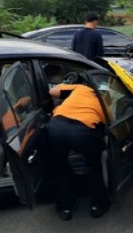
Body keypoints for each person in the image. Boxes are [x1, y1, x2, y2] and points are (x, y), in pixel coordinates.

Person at [44, 66, 110, 221]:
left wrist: (69, 92)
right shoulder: (104, 104)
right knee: (95, 166)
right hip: (83, 132)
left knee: (62, 167)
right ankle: (98, 206)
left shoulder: (80, 89)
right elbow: (107, 126)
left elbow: (52, 92)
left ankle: (64, 208)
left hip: (56, 127)